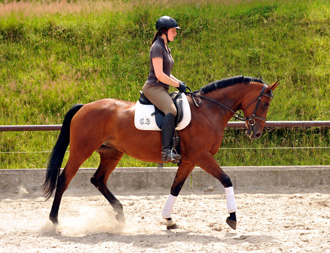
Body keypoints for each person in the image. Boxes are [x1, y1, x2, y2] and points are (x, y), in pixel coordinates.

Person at [142, 16, 186, 162]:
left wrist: (179, 82)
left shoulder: (166, 47)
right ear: (164, 31)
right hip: (154, 87)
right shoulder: (157, 47)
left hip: (161, 88)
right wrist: (177, 85)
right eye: (173, 31)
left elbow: (166, 73)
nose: (175, 33)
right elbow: (160, 75)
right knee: (171, 110)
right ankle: (166, 151)